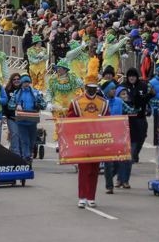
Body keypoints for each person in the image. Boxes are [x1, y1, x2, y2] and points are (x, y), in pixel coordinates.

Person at [67, 59, 110, 209]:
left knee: (94, 170)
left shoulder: (103, 103)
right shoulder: (76, 102)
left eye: (94, 88)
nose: (92, 91)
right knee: (83, 170)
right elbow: (69, 122)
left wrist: (102, 121)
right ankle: (82, 196)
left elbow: (109, 122)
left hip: (97, 141)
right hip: (82, 141)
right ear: (85, 87)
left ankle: (91, 197)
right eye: (89, 88)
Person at [102, 85, 136, 193]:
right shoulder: (101, 102)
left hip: (118, 134)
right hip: (105, 135)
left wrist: (137, 106)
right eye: (112, 89)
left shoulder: (119, 101)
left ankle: (109, 177)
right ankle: (109, 186)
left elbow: (130, 111)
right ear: (107, 91)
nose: (114, 90)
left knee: (118, 162)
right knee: (108, 162)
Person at [7, 74, 46, 166]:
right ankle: (27, 158)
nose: (26, 84)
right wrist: (16, 106)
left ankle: (28, 156)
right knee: (25, 141)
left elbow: (43, 105)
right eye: (24, 82)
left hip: (32, 121)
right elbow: (9, 105)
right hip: (21, 121)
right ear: (22, 83)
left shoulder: (36, 93)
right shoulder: (16, 93)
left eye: (27, 82)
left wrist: (39, 106)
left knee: (32, 141)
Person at [119, 67, 153, 163]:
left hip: (141, 115)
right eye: (130, 76)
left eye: (133, 76)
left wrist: (148, 108)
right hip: (128, 118)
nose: (131, 78)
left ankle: (135, 153)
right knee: (130, 138)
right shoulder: (123, 86)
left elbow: (148, 99)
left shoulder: (143, 85)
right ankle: (131, 156)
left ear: (137, 77)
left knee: (142, 136)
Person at [3, 73, 23, 157]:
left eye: (18, 79)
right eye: (14, 79)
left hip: (23, 117)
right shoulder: (7, 90)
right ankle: (16, 155)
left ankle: (22, 155)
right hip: (11, 117)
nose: (16, 81)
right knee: (14, 134)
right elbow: (4, 104)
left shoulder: (25, 89)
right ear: (11, 81)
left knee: (21, 137)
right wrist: (4, 115)